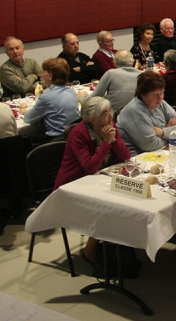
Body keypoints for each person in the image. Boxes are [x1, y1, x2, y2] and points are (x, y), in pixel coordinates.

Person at [52, 95, 131, 265]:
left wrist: (113, 140)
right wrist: (106, 143)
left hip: (98, 179)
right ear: (92, 118)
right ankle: (90, 250)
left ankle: (120, 243)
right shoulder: (78, 134)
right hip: (72, 186)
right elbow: (89, 167)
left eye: (110, 112)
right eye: (105, 114)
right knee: (110, 205)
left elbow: (126, 156)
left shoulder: (110, 126)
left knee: (125, 199)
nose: (110, 117)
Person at [117, 71, 176, 155]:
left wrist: (162, 132)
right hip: (135, 157)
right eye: (155, 94)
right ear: (142, 94)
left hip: (157, 153)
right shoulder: (134, 110)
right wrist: (170, 133)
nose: (160, 98)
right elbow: (151, 145)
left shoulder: (161, 104)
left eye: (162, 93)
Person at [21, 58, 80, 142]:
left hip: (57, 142)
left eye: (43, 72)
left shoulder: (46, 98)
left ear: (50, 76)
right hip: (74, 138)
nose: (41, 75)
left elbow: (28, 119)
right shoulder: (71, 92)